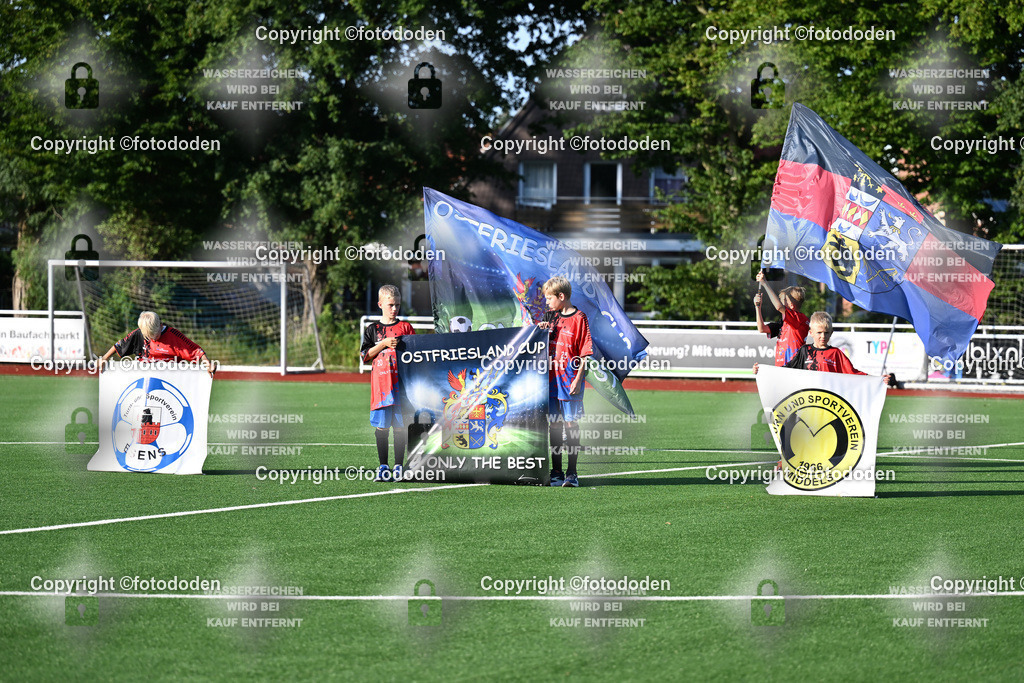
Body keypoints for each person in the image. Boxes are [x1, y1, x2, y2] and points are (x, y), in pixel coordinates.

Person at [537, 276, 592, 488]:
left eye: (549, 298)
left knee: (571, 425)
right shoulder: (550, 317)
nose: (547, 303)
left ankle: (572, 473)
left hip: (570, 381)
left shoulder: (580, 318)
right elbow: (536, 345)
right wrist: (540, 330)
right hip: (550, 381)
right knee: (555, 425)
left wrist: (579, 378)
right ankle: (556, 471)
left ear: (561, 296)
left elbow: (586, 353)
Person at [360, 284, 416, 482]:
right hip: (381, 388)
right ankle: (383, 467)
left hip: (401, 386)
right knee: (382, 427)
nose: (394, 309)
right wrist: (383, 343)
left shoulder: (406, 328)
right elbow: (364, 355)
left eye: (397, 305)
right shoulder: (372, 330)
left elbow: (416, 356)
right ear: (380, 304)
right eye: (391, 305)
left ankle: (399, 466)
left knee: (400, 427)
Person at [755, 311, 893, 386]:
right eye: (819, 333)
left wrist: (877, 379)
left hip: (828, 401)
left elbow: (853, 374)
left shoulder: (836, 354)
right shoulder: (804, 351)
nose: (823, 336)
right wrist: (762, 370)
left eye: (826, 333)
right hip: (807, 402)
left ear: (831, 333)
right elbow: (787, 370)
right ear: (811, 333)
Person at [99, 311, 215, 377]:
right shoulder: (138, 334)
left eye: (156, 335)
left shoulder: (173, 336)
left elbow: (195, 351)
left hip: (169, 381)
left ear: (161, 325)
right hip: (143, 380)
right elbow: (119, 346)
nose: (153, 339)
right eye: (149, 337)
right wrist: (104, 358)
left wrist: (208, 364)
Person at [754, 271, 809, 366]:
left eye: (784, 301)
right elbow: (761, 328)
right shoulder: (782, 324)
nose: (781, 303)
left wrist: (765, 283)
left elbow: (779, 307)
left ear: (791, 306)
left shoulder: (799, 319)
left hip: (794, 368)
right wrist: (757, 307)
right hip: (781, 368)